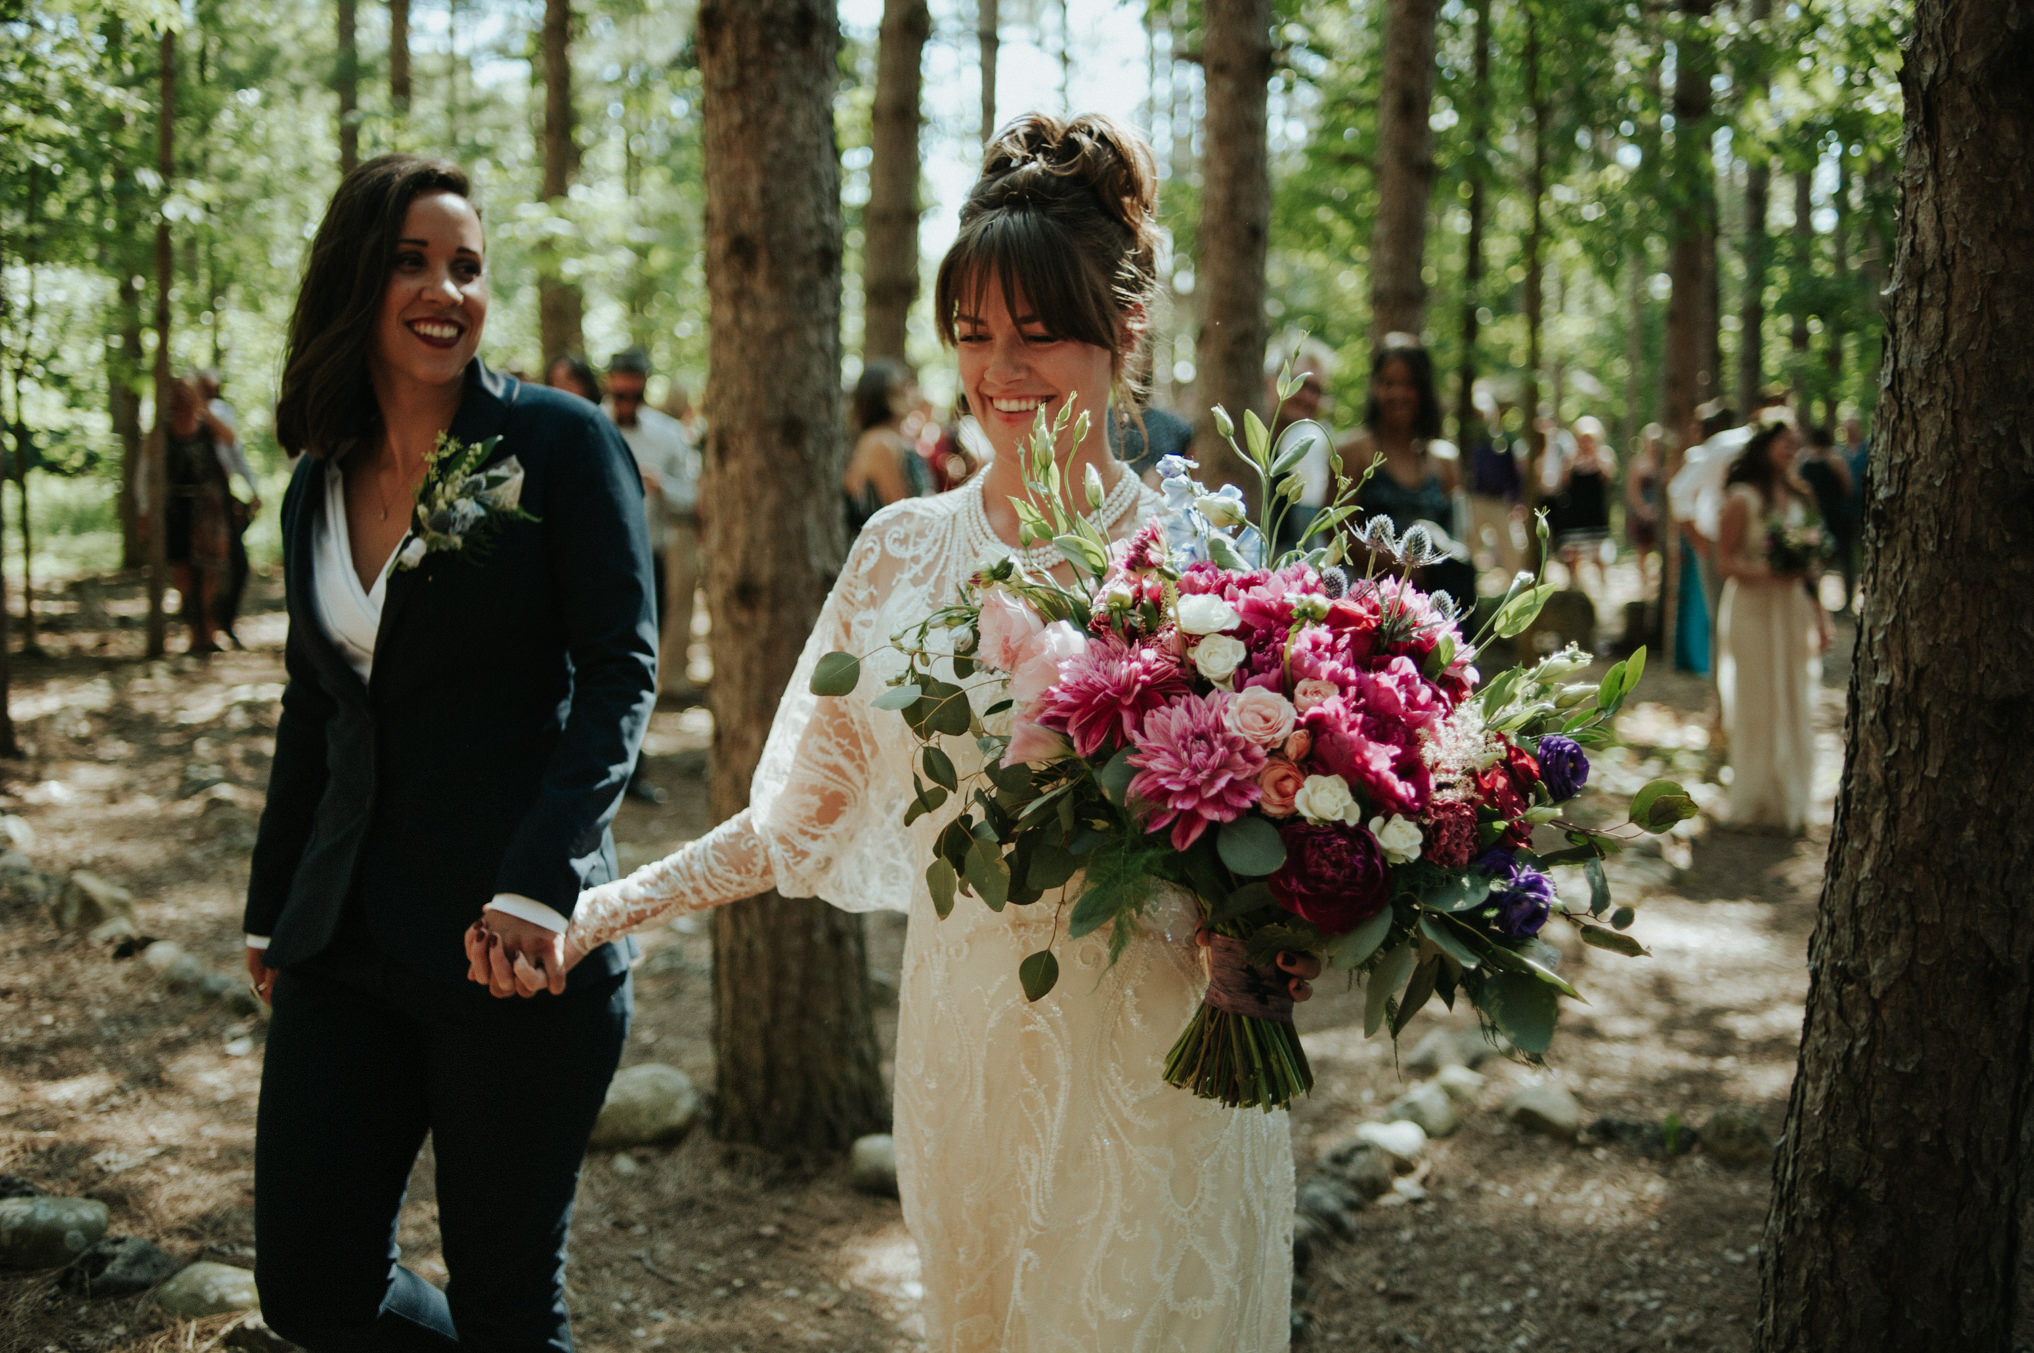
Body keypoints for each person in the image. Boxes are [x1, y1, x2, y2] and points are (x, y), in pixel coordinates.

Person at [480, 113, 1309, 1352]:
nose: (1001, 371)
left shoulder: (1208, 562)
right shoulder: (900, 552)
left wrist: (1281, 943)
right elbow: (794, 821)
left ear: (1123, 333)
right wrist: (591, 908)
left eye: (1038, 334)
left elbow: (1292, 827)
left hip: (1162, 1061)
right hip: (967, 1047)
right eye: (974, 336)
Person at [242, 154, 658, 1352]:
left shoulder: (563, 444)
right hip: (343, 942)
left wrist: (540, 885)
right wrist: (277, 907)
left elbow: (619, 679)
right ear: (355, 281)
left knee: (509, 1310)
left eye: (466, 267)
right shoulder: (315, 483)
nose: (446, 290)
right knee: (311, 1291)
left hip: (507, 949)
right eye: (414, 261)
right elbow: (315, 707)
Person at [1714, 419, 1827, 833]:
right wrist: (1767, 572)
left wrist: (1821, 616)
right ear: (1764, 446)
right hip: (1752, 608)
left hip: (1791, 608)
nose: (1793, 449)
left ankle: (1791, 798)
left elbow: (1812, 565)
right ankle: (1755, 799)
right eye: (1785, 442)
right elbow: (1724, 561)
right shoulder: (1741, 498)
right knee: (1756, 698)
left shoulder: (1801, 495)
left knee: (1795, 694)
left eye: (1797, 443)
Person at [1335, 336, 1474, 609]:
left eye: (1408, 384)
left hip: (1433, 606)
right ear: (1375, 388)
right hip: (1368, 602)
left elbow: (1461, 538)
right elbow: (1338, 537)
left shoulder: (1444, 459)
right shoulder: (1352, 452)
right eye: (1388, 383)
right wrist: (1407, 570)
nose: (1397, 393)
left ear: (1422, 390)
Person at [607, 347, 702, 721]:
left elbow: (694, 495)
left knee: (648, 636)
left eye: (634, 395)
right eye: (620, 396)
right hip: (600, 555)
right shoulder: (591, 423)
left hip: (652, 555)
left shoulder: (668, 434)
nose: (626, 403)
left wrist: (662, 486)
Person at [154, 377, 236, 654]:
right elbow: (145, 472)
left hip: (208, 509)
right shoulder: (160, 433)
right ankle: (194, 633)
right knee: (183, 571)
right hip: (175, 509)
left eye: (184, 394)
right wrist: (144, 509)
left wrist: (202, 409)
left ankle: (208, 630)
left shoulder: (207, 428)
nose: (180, 400)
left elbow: (230, 438)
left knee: (211, 570)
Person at [197, 368, 262, 647]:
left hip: (222, 496)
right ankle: (204, 629)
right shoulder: (179, 417)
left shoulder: (217, 411)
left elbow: (233, 448)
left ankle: (223, 624)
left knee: (235, 563)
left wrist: (253, 488)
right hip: (195, 501)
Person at [843, 359, 931, 533]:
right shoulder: (879, 442)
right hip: (896, 544)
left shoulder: (893, 438)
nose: (909, 391)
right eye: (899, 389)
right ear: (880, 398)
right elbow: (902, 509)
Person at [1464, 383, 1525, 575]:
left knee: (1510, 546)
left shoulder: (1503, 442)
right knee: (1469, 544)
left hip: (1499, 501)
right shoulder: (1471, 441)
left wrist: (1516, 500)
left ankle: (1517, 585)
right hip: (1476, 500)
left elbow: (1512, 474)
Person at [1549, 414, 1614, 592]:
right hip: (1576, 513)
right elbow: (1564, 482)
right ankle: (1574, 587)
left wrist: (1596, 459)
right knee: (1573, 553)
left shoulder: (1604, 456)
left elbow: (1609, 478)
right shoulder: (1570, 458)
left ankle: (1603, 588)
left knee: (1598, 554)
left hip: (1595, 513)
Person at [1795, 423, 1854, 612]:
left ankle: (1819, 601)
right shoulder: (1834, 458)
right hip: (1832, 513)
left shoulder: (1803, 459)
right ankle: (1842, 601)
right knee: (1842, 559)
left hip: (1819, 515)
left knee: (1823, 559)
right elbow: (1848, 486)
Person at [1624, 422, 1665, 593]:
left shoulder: (1665, 462)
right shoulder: (1638, 462)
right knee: (1642, 550)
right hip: (1643, 512)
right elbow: (1632, 490)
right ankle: (1644, 584)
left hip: (1662, 513)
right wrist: (1643, 509)